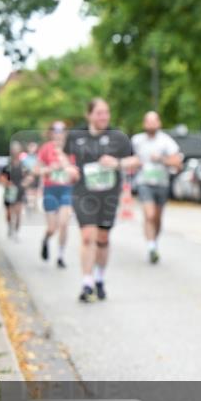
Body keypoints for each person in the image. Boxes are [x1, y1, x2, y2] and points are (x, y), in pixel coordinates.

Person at [65, 99, 138, 303]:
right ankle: (86, 283)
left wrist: (118, 163)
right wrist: (68, 168)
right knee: (88, 236)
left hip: (108, 195)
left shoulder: (118, 138)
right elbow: (61, 156)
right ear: (88, 114)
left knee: (103, 238)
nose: (104, 117)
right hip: (83, 193)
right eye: (99, 113)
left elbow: (136, 160)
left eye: (106, 113)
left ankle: (99, 279)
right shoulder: (75, 136)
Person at [131, 111, 183, 264]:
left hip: (161, 183)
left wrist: (161, 159)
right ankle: (151, 246)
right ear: (144, 124)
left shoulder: (166, 142)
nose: (151, 124)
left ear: (159, 123)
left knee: (157, 218)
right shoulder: (137, 141)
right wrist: (134, 163)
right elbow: (128, 158)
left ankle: (154, 240)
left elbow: (177, 163)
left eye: (154, 121)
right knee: (149, 215)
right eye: (148, 121)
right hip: (144, 182)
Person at [36, 121, 76, 267]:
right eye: (56, 131)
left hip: (66, 189)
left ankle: (60, 255)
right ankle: (46, 239)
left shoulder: (71, 149)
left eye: (62, 131)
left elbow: (75, 170)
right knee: (53, 228)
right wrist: (49, 169)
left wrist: (63, 161)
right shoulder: (45, 149)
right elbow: (37, 170)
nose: (59, 134)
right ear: (52, 133)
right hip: (50, 189)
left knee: (64, 223)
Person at [1, 142, 27, 239]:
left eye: (17, 150)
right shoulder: (7, 165)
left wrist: (25, 183)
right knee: (9, 213)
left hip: (19, 191)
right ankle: (9, 227)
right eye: (13, 150)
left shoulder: (23, 165)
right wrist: (7, 183)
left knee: (18, 213)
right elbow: (2, 177)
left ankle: (16, 231)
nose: (15, 152)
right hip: (9, 191)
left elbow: (28, 177)